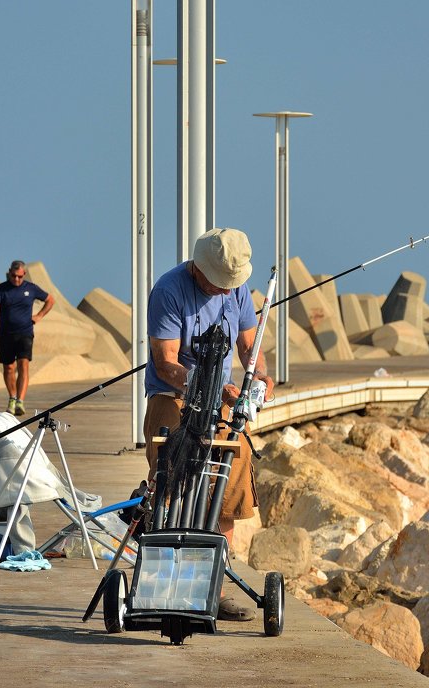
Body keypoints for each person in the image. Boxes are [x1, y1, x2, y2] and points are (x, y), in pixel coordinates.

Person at [143, 227, 275, 622]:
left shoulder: (238, 290)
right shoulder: (169, 291)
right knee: (171, 483)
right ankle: (161, 584)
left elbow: (250, 348)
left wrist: (260, 383)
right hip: (175, 396)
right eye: (219, 283)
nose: (224, 290)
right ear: (199, 270)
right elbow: (165, 362)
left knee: (229, 484)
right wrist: (211, 389)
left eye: (230, 284)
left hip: (223, 401)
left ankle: (212, 590)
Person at [0, 260, 54, 415]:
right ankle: (12, 398)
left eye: (19, 277)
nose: (16, 280)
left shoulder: (31, 288)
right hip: (5, 335)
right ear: (9, 272)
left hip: (25, 333)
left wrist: (40, 315)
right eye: (14, 276)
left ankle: (20, 402)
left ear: (24, 274)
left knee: (23, 365)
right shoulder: (2, 289)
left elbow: (50, 299)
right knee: (9, 368)